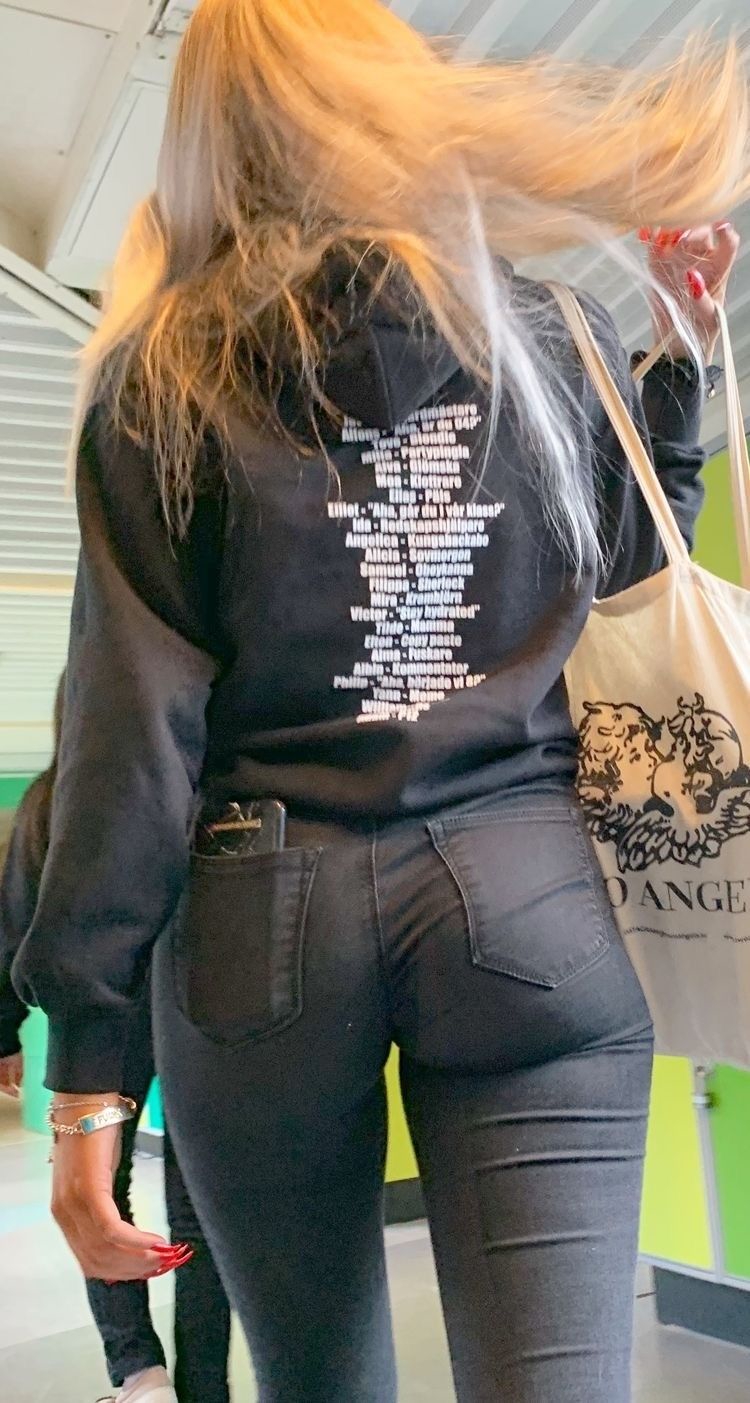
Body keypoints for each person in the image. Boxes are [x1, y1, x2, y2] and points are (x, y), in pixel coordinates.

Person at [10, 1, 749, 1399]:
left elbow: (126, 742)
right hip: (525, 895)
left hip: (261, 921)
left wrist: (88, 1075)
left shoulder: (165, 373)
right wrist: (679, 372)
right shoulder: (556, 336)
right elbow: (630, 575)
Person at [0, 677, 231, 1403]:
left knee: (99, 1196)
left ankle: (138, 1371)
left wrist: (4, 1033)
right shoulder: (195, 796)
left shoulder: (45, 806)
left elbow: (13, 926)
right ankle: (205, 1385)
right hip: (196, 1015)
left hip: (102, 1033)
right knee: (198, 1210)